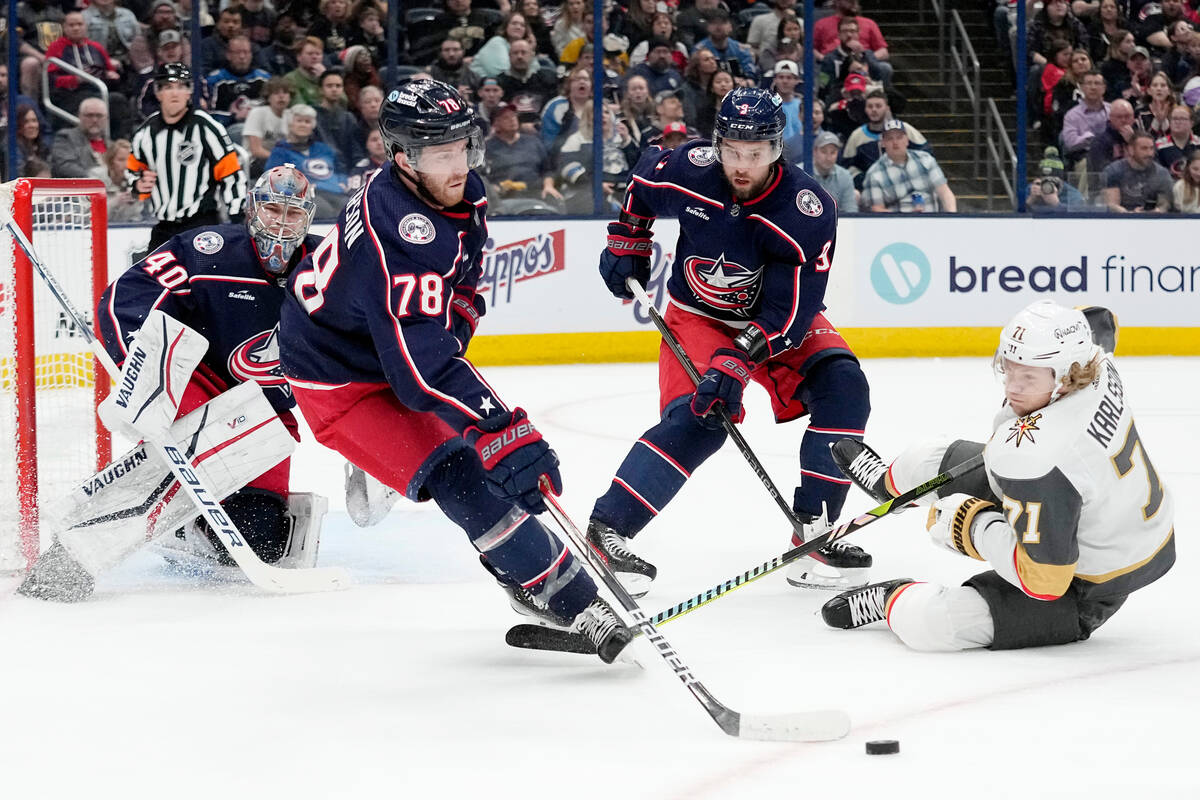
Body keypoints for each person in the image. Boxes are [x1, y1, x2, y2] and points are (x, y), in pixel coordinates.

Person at [276, 79, 633, 664]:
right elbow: (420, 376)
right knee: (459, 472)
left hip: (381, 343)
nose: (459, 164)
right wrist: (499, 425)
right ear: (403, 159)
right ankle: (566, 597)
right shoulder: (396, 233)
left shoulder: (459, 192)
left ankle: (524, 571)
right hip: (334, 374)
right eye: (442, 153)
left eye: (464, 146)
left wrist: (460, 320)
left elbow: (463, 276)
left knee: (488, 463)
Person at [588, 87, 874, 596]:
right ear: (717, 144)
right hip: (698, 317)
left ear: (777, 148)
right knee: (701, 419)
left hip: (772, 324)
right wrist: (628, 238)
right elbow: (643, 177)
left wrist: (739, 358)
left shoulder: (807, 210)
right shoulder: (691, 168)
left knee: (845, 390)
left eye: (757, 153)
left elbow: (793, 312)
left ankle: (814, 529)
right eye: (733, 151)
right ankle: (609, 530)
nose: (742, 165)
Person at [17, 165, 326, 603]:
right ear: (253, 207)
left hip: (264, 415)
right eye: (273, 208)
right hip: (197, 386)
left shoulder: (330, 267)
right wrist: (148, 379)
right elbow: (125, 299)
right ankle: (71, 558)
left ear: (309, 217)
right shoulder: (209, 249)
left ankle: (184, 523)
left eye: (293, 214)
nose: (280, 223)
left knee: (264, 537)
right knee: (192, 449)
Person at [822, 302, 1174, 654]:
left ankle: (890, 599)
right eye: (1009, 369)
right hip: (1089, 504)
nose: (1012, 388)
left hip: (1090, 582)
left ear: (1066, 376)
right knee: (921, 459)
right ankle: (889, 487)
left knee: (930, 622)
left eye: (1029, 377)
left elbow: (1046, 580)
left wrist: (973, 527)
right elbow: (1101, 320)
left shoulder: (1040, 455)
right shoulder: (1097, 361)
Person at [127, 62, 248, 252]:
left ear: (189, 92)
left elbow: (231, 173)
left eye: (181, 86)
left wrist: (237, 218)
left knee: (203, 281)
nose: (175, 93)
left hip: (202, 224)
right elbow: (132, 172)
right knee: (150, 280)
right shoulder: (145, 134)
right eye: (168, 87)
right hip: (163, 227)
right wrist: (138, 184)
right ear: (158, 93)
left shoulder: (206, 127)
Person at [266, 104, 345, 219]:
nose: (303, 124)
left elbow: (341, 170)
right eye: (299, 121)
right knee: (323, 210)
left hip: (335, 191)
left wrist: (343, 181)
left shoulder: (325, 149)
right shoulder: (280, 151)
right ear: (290, 124)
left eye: (307, 122)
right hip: (305, 196)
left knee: (349, 207)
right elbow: (273, 179)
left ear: (312, 126)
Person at [862, 119, 957, 212]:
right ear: (883, 143)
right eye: (890, 138)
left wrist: (952, 217)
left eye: (899, 137)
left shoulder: (925, 159)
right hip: (896, 225)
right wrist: (905, 218)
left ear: (907, 140)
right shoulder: (874, 174)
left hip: (932, 221)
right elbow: (877, 209)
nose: (895, 142)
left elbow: (944, 192)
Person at [207, 34, 272, 137]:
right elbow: (210, 115)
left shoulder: (264, 78)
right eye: (237, 52)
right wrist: (234, 116)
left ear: (251, 55)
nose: (242, 57)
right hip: (228, 132)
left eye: (246, 52)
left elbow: (272, 110)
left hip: (261, 130)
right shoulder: (215, 80)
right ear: (228, 55)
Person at [1101, 130, 1173, 212]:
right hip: (1121, 220)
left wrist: (1157, 211)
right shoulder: (1113, 170)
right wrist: (1131, 214)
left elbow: (1165, 204)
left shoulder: (1161, 173)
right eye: (1144, 149)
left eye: (1151, 148)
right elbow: (1111, 205)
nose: (1149, 153)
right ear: (1131, 150)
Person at [50, 97, 110, 180]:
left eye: (99, 116)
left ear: (106, 119)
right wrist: (96, 179)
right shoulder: (65, 137)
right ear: (80, 116)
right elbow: (65, 166)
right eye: (89, 115)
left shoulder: (112, 144)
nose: (94, 120)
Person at [243, 75, 292, 175]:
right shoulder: (257, 113)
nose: (281, 96)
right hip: (254, 162)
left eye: (285, 93)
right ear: (268, 97)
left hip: (282, 164)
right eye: (276, 93)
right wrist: (283, 161)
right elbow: (256, 150)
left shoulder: (291, 115)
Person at [1061, 70, 1110, 164]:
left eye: (1097, 83)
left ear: (1104, 88)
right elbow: (1070, 143)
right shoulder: (1072, 115)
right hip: (1084, 157)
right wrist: (1090, 139)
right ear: (1082, 88)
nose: (1093, 87)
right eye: (1089, 83)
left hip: (1110, 155)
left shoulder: (1112, 110)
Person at [810, 129, 858, 211]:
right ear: (815, 151)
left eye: (833, 152)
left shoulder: (845, 176)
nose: (828, 158)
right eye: (824, 152)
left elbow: (850, 211)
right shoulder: (800, 172)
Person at [1156, 102, 1200, 177]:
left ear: (1191, 123)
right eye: (1174, 119)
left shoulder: (1198, 143)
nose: (1177, 122)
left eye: (1182, 119)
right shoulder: (1159, 145)